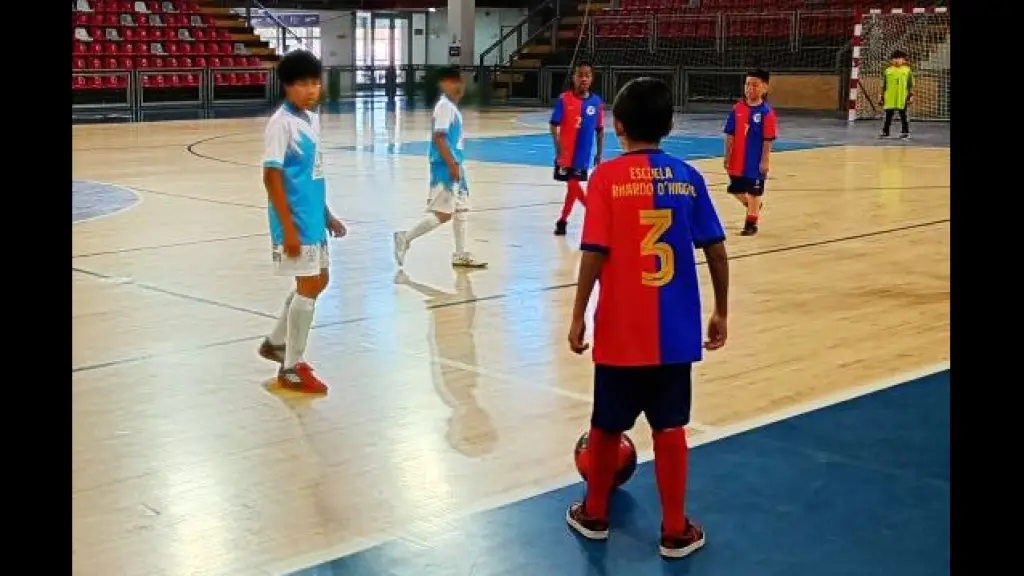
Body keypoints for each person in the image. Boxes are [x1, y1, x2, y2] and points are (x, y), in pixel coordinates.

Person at [566, 77, 730, 560]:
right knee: (670, 427)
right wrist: (721, 309)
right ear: (670, 125)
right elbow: (716, 250)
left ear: (617, 125)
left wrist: (578, 314)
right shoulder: (688, 177)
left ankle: (594, 514)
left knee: (605, 426)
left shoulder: (605, 178)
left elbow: (594, 253)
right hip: (675, 331)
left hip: (620, 330)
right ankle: (675, 529)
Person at [257, 50, 346, 394]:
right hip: (294, 220)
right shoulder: (280, 125)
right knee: (309, 284)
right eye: (303, 84)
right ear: (287, 86)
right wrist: (289, 228)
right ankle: (291, 367)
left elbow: (312, 174)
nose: (311, 90)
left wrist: (327, 214)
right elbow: (271, 177)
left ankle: (277, 342)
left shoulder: (310, 120)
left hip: (312, 218)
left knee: (319, 280)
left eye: (315, 83)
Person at [393, 66, 487, 269]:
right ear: (444, 84)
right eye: (454, 82)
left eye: (460, 82)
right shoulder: (444, 107)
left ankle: (460, 254)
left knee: (461, 209)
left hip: (455, 164)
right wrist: (451, 164)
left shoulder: (451, 107)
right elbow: (439, 137)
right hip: (445, 167)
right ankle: (405, 238)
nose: (459, 86)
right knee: (443, 214)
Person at [550, 61, 605, 236]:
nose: (583, 79)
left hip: (583, 155)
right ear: (574, 77)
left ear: (592, 78)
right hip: (565, 154)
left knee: (572, 187)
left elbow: (600, 129)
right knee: (573, 184)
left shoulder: (596, 102)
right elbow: (553, 124)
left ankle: (563, 220)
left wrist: (599, 153)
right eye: (580, 75)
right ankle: (593, 211)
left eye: (587, 75)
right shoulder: (564, 99)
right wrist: (558, 147)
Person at [723, 69, 777, 237]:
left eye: (755, 85)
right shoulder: (738, 108)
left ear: (764, 88)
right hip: (737, 159)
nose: (750, 88)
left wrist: (765, 160)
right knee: (735, 190)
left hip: (755, 160)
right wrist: (727, 155)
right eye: (747, 84)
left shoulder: (766, 112)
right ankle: (754, 207)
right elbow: (730, 134)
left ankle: (751, 224)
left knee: (754, 192)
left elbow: (768, 139)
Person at [879, 50, 913, 139]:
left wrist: (911, 96)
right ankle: (885, 132)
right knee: (888, 116)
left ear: (904, 60)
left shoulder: (907, 70)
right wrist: (881, 97)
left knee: (903, 116)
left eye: (899, 58)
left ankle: (905, 132)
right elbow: (883, 85)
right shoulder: (887, 71)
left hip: (902, 97)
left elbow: (910, 85)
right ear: (891, 60)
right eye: (894, 58)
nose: (897, 60)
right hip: (890, 98)